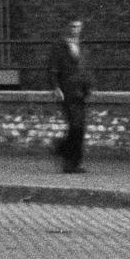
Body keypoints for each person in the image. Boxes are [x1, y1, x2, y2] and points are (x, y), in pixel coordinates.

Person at [47, 18, 93, 174]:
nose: (76, 29)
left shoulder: (82, 46)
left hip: (80, 91)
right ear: (68, 27)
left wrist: (88, 86)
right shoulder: (59, 47)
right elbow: (53, 69)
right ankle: (64, 154)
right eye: (73, 26)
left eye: (79, 26)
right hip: (67, 91)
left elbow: (85, 68)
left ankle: (73, 161)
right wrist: (56, 87)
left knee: (80, 128)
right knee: (75, 125)